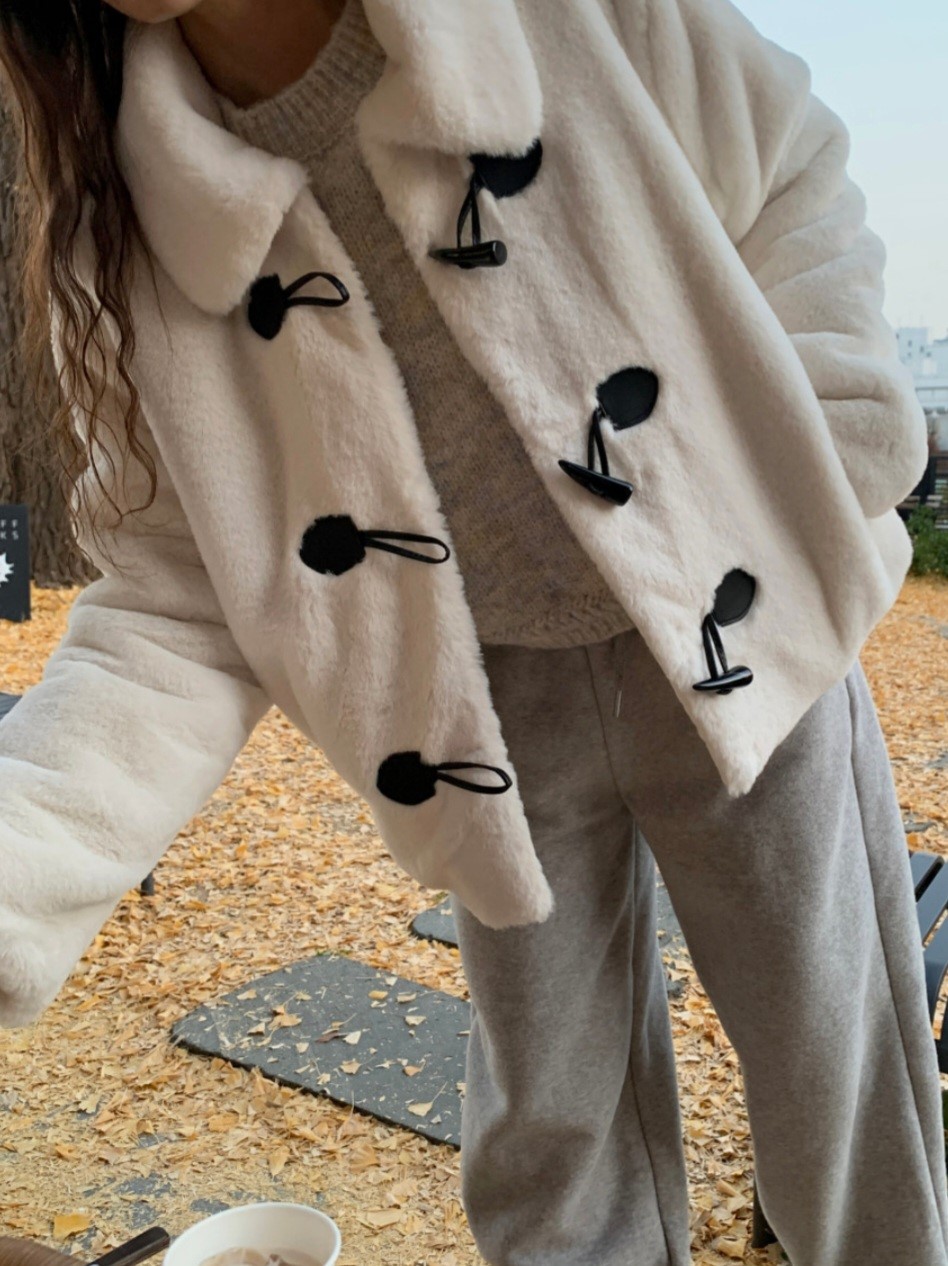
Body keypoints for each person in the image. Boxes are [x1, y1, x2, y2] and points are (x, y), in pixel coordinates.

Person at [0, 1, 943, 1263]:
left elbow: (789, 165)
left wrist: (821, 447)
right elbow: (171, 601)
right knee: (551, 1150)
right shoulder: (125, 215)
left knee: (844, 1085)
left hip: (742, 637)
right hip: (483, 720)